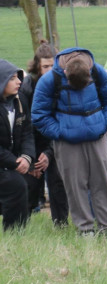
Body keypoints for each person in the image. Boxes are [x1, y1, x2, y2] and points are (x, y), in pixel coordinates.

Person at [31, 47, 107, 239]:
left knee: (102, 182)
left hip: (97, 137)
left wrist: (105, 124)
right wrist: (60, 132)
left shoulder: (97, 72)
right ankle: (85, 230)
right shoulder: (49, 81)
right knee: (74, 185)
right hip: (67, 142)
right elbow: (39, 115)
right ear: (65, 73)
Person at [19, 43, 61, 222]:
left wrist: (49, 152)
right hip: (30, 143)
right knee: (28, 191)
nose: (49, 70)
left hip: (56, 142)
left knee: (59, 187)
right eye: (45, 66)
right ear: (37, 66)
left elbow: (62, 122)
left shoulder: (63, 86)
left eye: (53, 66)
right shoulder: (26, 88)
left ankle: (61, 226)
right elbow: (24, 125)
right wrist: (31, 158)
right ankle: (21, 229)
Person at [0, 59, 33, 230]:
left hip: (13, 161)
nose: (19, 81)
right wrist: (14, 162)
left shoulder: (20, 101)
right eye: (12, 78)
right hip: (6, 162)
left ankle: (16, 233)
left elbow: (27, 131)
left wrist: (26, 157)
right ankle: (14, 232)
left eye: (18, 77)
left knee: (19, 185)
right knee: (15, 185)